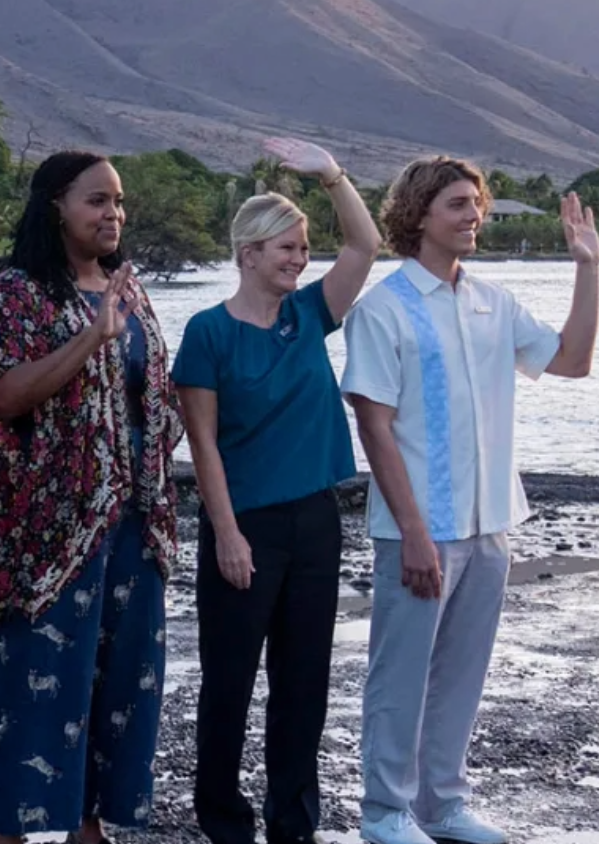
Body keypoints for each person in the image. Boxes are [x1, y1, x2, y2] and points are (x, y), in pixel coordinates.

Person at [341, 157, 599, 844]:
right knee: (400, 675)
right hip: (418, 529)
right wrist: (413, 532)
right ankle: (384, 812)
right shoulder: (383, 309)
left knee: (462, 675)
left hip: (490, 526)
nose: (474, 215)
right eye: (458, 204)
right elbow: (374, 427)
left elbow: (573, 361)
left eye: (477, 202)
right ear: (419, 214)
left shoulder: (495, 303)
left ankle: (442, 804)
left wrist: (588, 267)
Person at [0, 151, 185, 844]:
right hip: (42, 532)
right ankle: (7, 833)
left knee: (118, 684)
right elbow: (2, 397)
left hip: (133, 524)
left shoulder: (128, 291)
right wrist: (92, 338)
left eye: (118, 201)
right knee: (31, 685)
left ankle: (89, 830)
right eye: (97, 200)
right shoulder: (14, 296)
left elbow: (150, 399)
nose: (113, 213)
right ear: (56, 205)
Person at [171, 138, 382, 844]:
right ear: (248, 254)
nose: (299, 259)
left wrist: (331, 176)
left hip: (316, 521)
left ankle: (293, 823)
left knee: (303, 682)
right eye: (286, 248)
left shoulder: (309, 316)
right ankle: (224, 821)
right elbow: (202, 444)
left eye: (303, 248)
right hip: (245, 524)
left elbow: (365, 244)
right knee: (228, 683)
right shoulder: (207, 333)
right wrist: (227, 534)